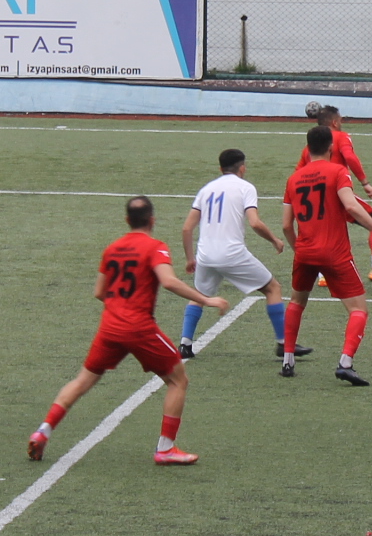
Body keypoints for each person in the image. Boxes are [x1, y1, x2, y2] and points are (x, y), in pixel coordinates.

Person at [28, 194, 227, 465]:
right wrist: (206, 299)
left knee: (82, 381)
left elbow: (99, 292)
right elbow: (169, 281)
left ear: (127, 220)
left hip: (110, 326)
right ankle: (165, 449)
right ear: (152, 220)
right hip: (139, 327)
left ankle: (43, 431)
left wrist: (119, 308)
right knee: (178, 380)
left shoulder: (112, 248)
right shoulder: (155, 247)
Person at [279, 124, 372, 385]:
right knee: (358, 310)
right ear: (331, 146)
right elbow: (351, 206)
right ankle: (345, 363)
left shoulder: (293, 179)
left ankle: (287, 360)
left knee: (297, 302)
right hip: (335, 253)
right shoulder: (338, 171)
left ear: (307, 148)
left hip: (304, 252)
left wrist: (299, 249)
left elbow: (285, 225)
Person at [178, 148, 293, 360]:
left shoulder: (206, 190)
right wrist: (274, 240)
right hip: (231, 254)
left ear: (220, 168)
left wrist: (189, 258)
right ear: (242, 168)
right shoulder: (245, 188)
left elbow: (186, 228)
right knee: (273, 288)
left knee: (199, 295)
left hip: (206, 255)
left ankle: (185, 343)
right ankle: (283, 342)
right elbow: (255, 222)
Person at [299, 104, 372, 288]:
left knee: (324, 231)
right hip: (338, 192)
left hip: (315, 196)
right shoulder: (340, 136)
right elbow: (350, 157)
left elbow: (299, 172)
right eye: (340, 120)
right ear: (335, 122)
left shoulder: (310, 148)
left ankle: (323, 274)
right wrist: (365, 183)